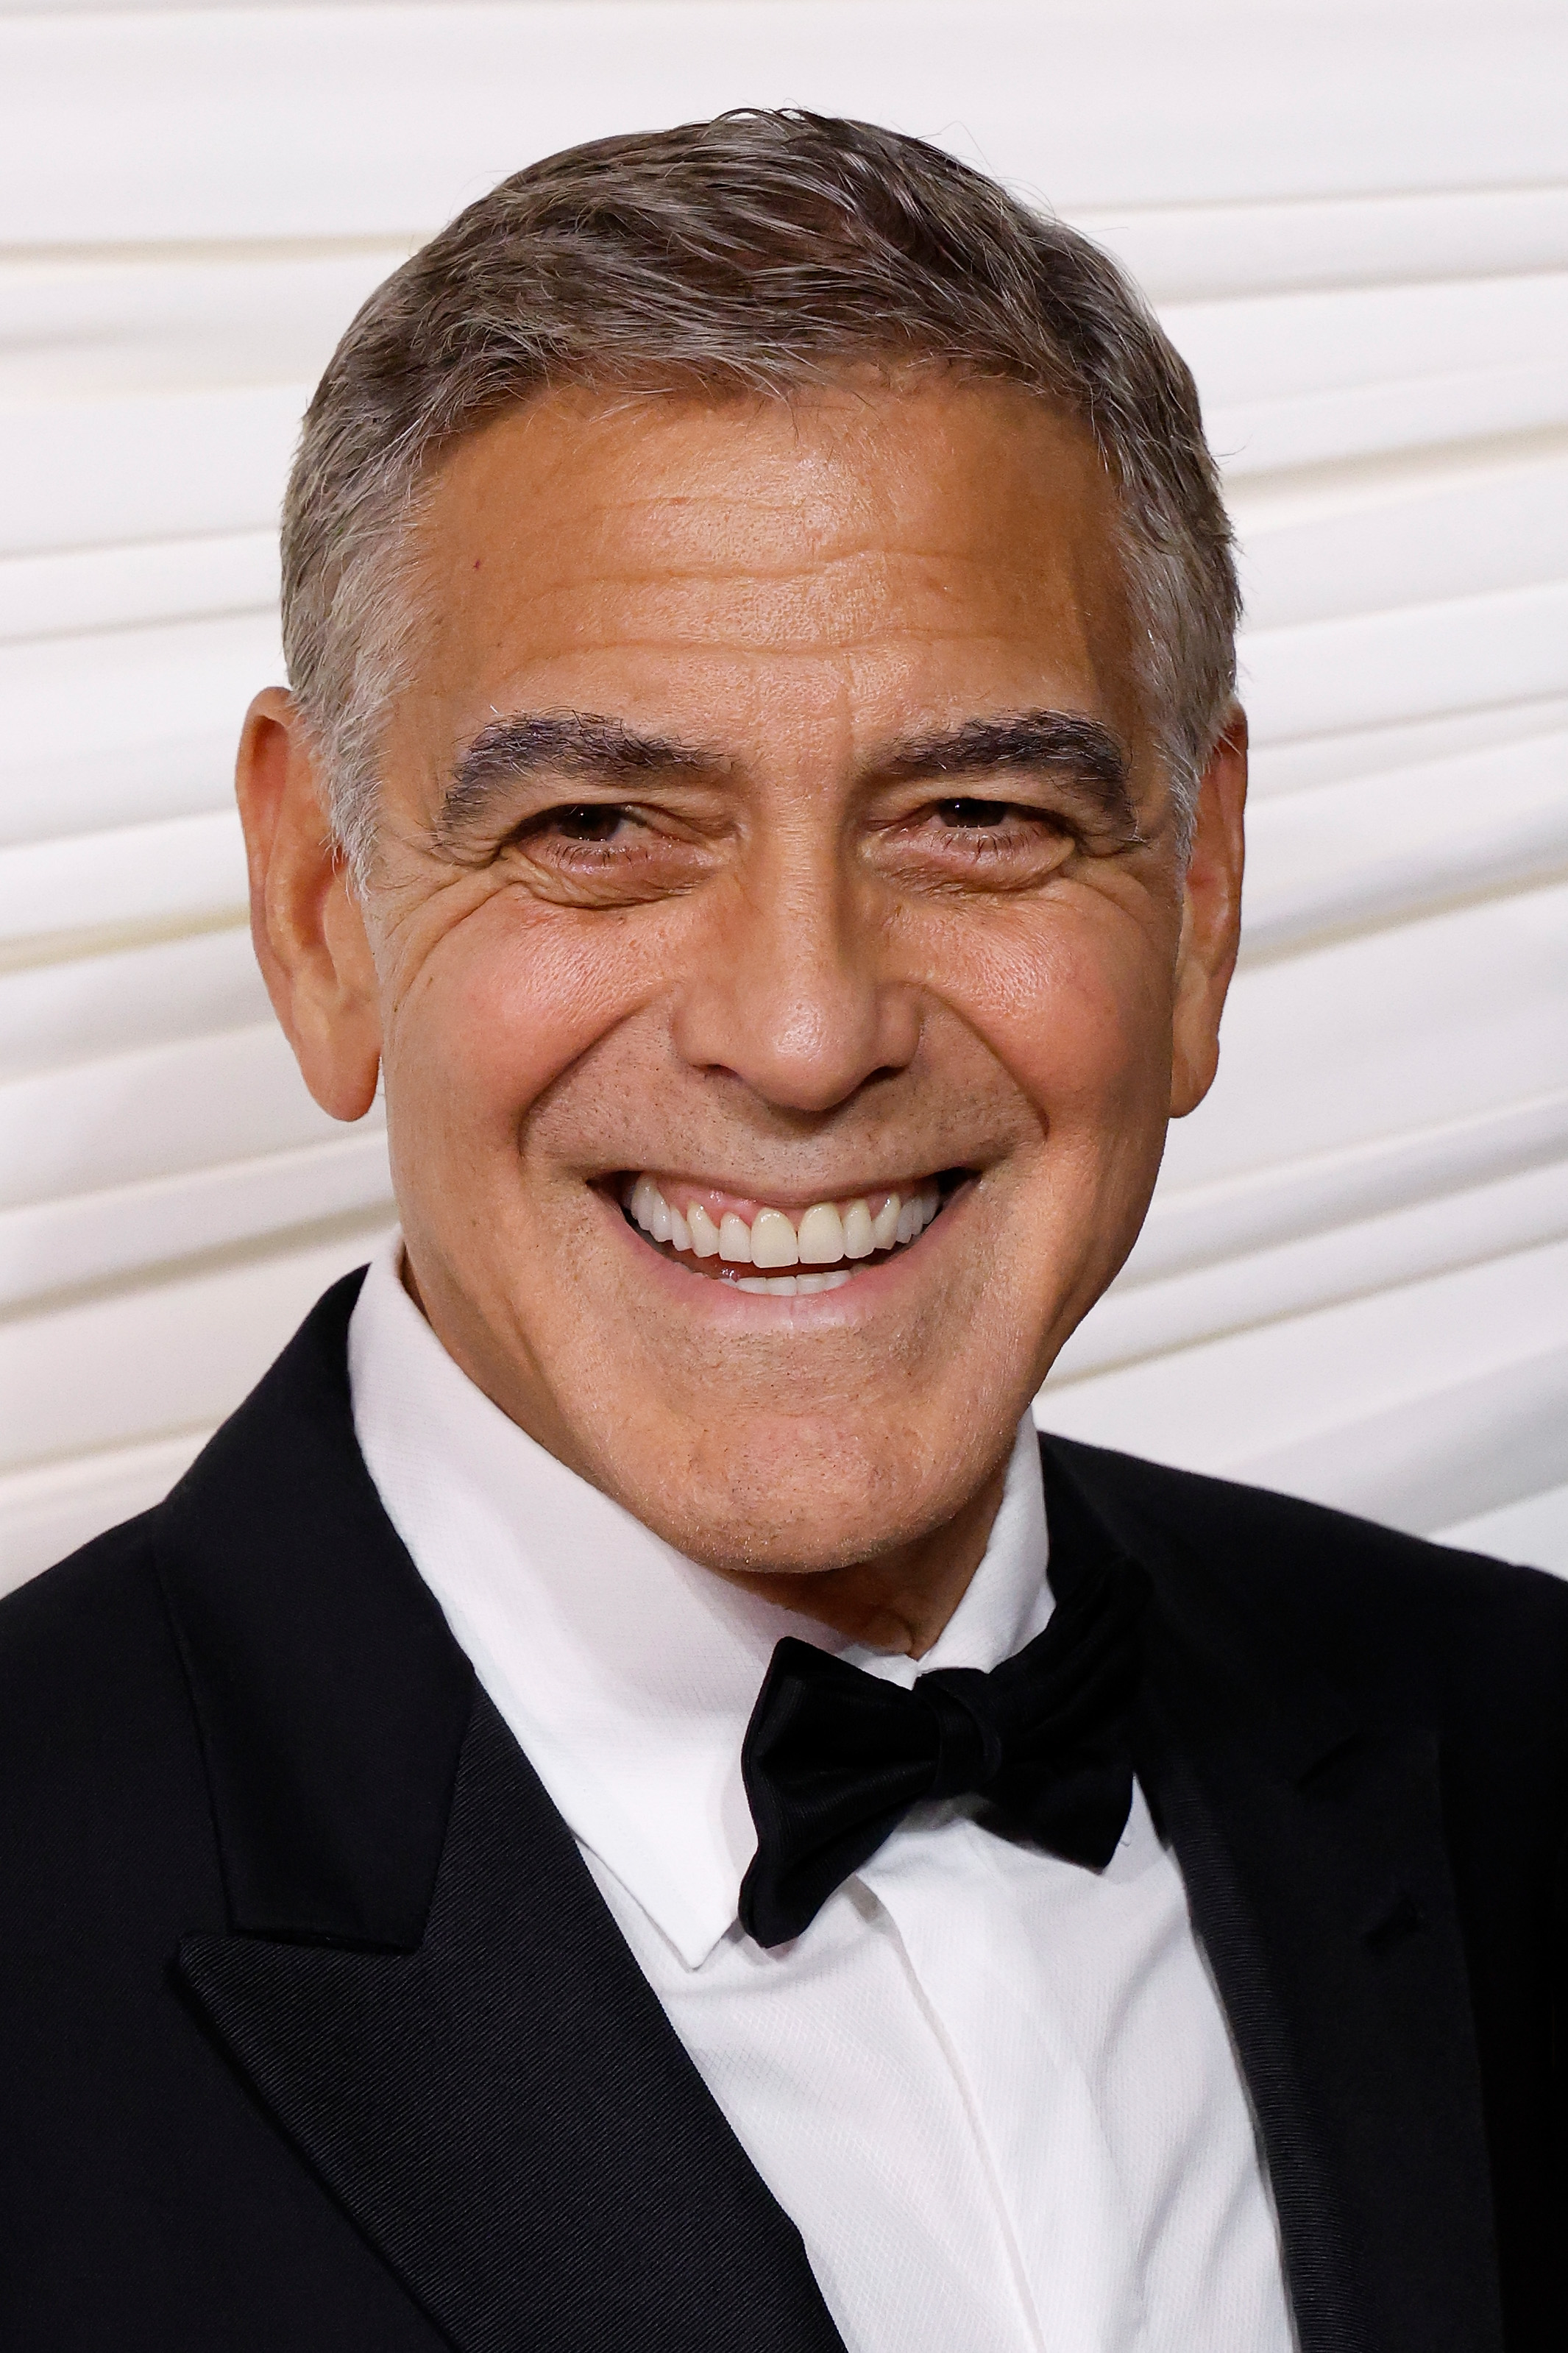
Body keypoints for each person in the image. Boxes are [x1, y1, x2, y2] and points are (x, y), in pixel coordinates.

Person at [0, 110, 1560, 2353]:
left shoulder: (1510, 1740)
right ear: (324, 912)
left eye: (976, 815)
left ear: (1198, 899)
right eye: (602, 822)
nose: (808, 1031)